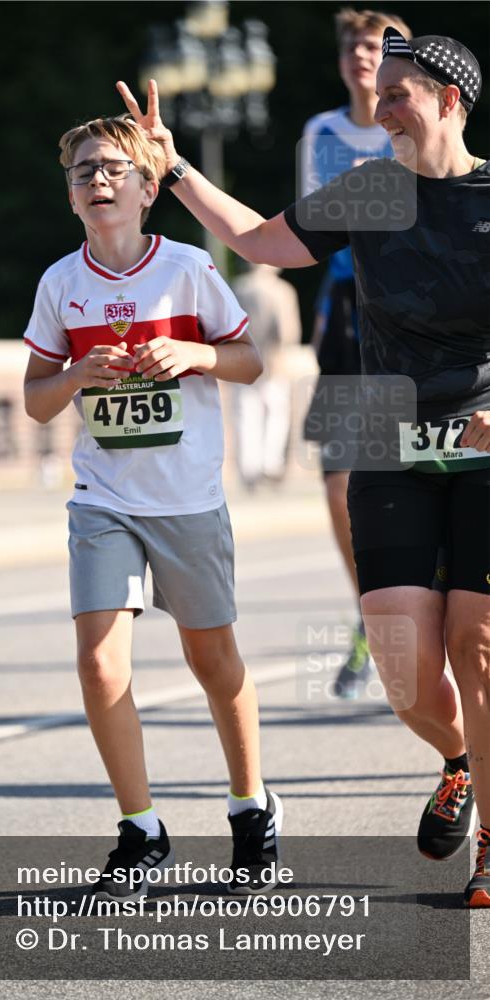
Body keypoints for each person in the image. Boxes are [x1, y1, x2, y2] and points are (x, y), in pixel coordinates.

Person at [117, 24, 489, 908]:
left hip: (483, 446)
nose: (382, 104)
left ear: (448, 99)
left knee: (477, 649)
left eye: (399, 92)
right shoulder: (369, 192)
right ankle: (458, 762)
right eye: (380, 90)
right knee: (404, 670)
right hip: (381, 434)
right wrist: (173, 171)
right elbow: (259, 241)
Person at [23, 114, 283, 899]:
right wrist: (75, 377)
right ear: (69, 199)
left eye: (111, 170)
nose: (95, 182)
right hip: (103, 498)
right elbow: (36, 403)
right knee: (100, 663)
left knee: (212, 661)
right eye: (81, 173)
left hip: (187, 499)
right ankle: (140, 829)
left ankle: (250, 808)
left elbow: (251, 361)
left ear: (145, 189)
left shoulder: (190, 269)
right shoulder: (60, 286)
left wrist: (195, 353)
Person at [301, 8, 412, 698]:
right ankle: (368, 610)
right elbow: (311, 222)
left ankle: (418, 607)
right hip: (345, 314)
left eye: (373, 45)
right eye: (350, 45)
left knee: (410, 474)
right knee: (338, 481)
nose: (359, 56)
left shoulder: (417, 123)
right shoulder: (320, 132)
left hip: (408, 318)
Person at [231, 262, 301, 487]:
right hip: (274, 360)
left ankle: (249, 467)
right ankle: (271, 464)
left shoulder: (239, 287)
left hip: (242, 361)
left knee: (245, 414)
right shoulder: (282, 290)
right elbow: (287, 331)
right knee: (275, 414)